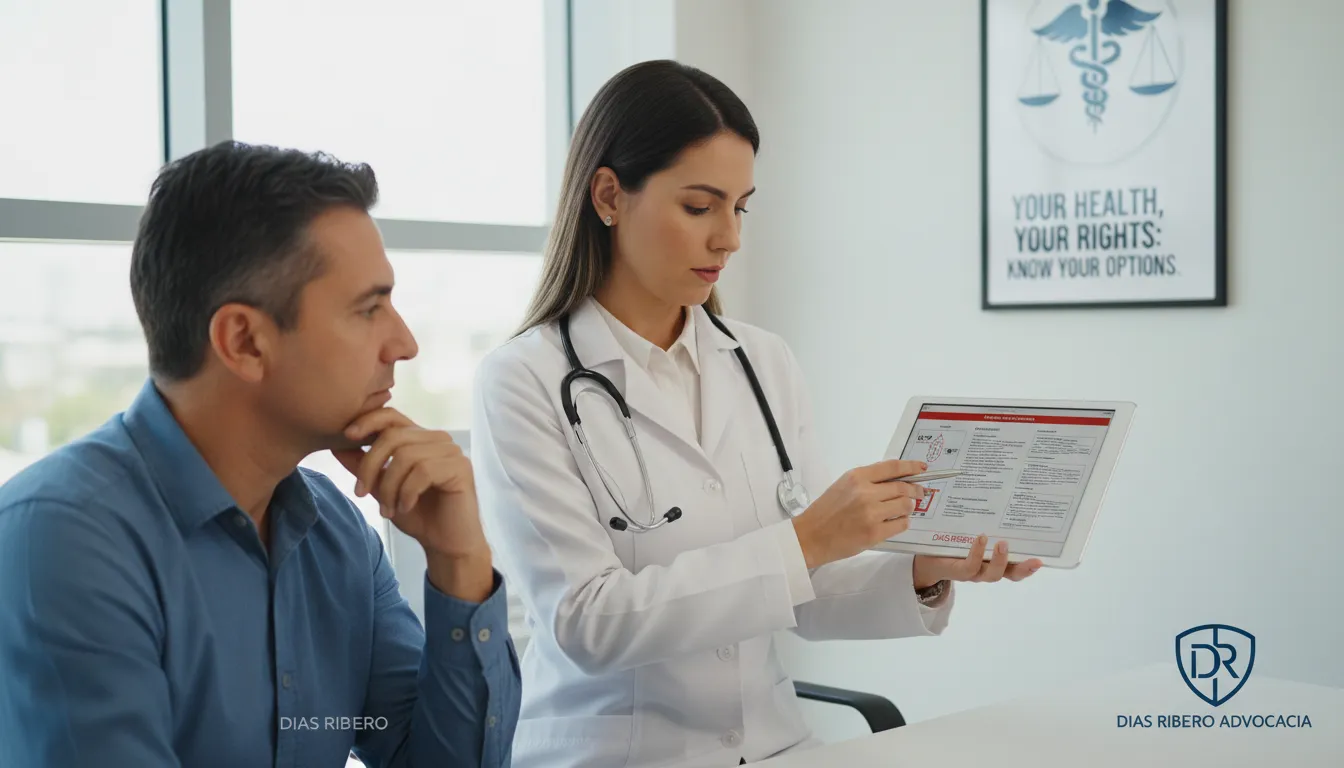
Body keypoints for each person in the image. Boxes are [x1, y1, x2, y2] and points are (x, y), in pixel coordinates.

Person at [470, 60, 1044, 768]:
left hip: (778, 748)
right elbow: (587, 621)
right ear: (609, 195)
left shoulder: (762, 360)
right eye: (699, 206)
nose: (729, 239)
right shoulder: (522, 381)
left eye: (740, 207)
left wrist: (923, 568)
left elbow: (803, 597)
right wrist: (805, 540)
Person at [0, 142, 520, 767]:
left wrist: (459, 559)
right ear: (244, 341)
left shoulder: (337, 534)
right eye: (369, 308)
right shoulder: (63, 536)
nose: (403, 343)